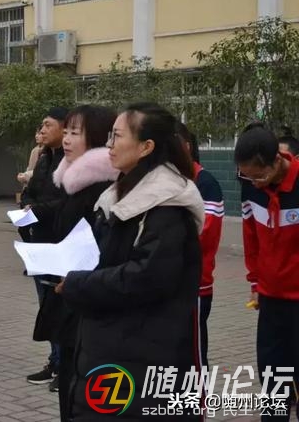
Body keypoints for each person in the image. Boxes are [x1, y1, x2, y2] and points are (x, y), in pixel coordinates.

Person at [58, 103, 204, 420]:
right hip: (111, 341)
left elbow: (147, 277)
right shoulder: (121, 192)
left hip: (140, 352)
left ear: (146, 147)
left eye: (118, 136)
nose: (109, 145)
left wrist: (79, 284)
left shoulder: (166, 205)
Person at [33, 105, 117, 418]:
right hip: (68, 289)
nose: (67, 139)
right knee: (69, 379)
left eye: (75, 133)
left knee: (83, 386)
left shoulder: (103, 188)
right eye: (66, 131)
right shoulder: (71, 180)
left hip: (87, 297)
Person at [236, 123, 299, 421]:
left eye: (259, 175)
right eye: (247, 176)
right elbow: (250, 236)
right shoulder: (251, 186)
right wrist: (255, 280)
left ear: (277, 161)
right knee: (273, 378)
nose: (254, 183)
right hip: (271, 299)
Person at [21, 107, 69, 386]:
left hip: (59, 241)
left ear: (65, 129)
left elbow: (65, 201)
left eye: (48, 125)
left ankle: (65, 365)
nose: (43, 129)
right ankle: (55, 360)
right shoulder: (43, 158)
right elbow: (31, 192)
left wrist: (36, 209)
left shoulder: (71, 162)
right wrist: (27, 206)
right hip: (38, 239)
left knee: (60, 305)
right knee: (46, 305)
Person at [177, 122, 224, 368]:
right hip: (167, 283)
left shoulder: (205, 183)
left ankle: (196, 392)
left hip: (195, 283)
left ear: (185, 146)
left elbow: (205, 234)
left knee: (194, 356)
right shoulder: (166, 182)